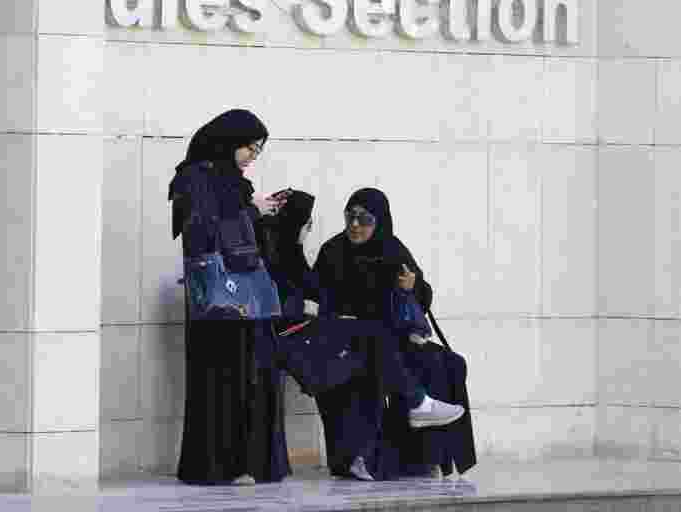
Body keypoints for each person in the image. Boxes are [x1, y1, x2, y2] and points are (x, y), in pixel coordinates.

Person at [169, 109, 291, 486]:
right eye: (250, 146)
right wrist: (251, 212)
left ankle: (251, 462)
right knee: (224, 374)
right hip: (220, 298)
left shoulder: (233, 182)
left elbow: (239, 230)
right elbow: (202, 232)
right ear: (228, 141)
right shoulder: (194, 178)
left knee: (254, 373)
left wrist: (263, 213)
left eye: (259, 149)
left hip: (246, 296)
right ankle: (222, 464)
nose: (254, 155)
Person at [313, 188, 464, 481]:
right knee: (373, 342)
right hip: (345, 338)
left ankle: (429, 458)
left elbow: (423, 295)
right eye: (350, 217)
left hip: (391, 338)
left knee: (446, 363)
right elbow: (316, 296)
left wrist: (412, 288)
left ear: (379, 221)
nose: (355, 225)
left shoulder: (391, 248)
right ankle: (371, 450)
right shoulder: (333, 251)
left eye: (364, 219)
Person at [257, 189, 321, 324]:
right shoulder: (275, 261)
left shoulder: (291, 254)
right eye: (308, 224)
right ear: (296, 225)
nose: (309, 229)